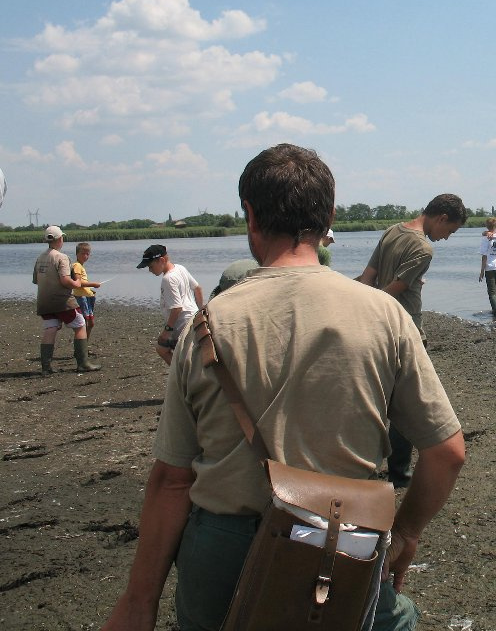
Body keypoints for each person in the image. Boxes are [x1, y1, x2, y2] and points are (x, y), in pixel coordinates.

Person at [102, 144, 465, 631]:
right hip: (344, 538)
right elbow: (447, 454)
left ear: (250, 215)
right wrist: (406, 533)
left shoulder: (207, 325)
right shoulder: (385, 318)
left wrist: (138, 603)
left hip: (224, 544)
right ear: (329, 216)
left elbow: (172, 481)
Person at [356, 193, 468, 487]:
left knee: (377, 400)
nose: (446, 238)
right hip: (405, 329)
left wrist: (350, 304)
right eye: (450, 231)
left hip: (376, 327)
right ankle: (400, 474)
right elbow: (391, 291)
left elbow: (368, 277)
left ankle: (365, 466)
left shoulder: (393, 230)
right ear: (441, 218)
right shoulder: (423, 248)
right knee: (406, 407)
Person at [32, 226, 101, 373]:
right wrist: (76, 283)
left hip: (44, 301)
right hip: (62, 301)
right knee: (81, 324)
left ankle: (46, 367)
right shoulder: (61, 257)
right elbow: (65, 280)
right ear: (59, 239)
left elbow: (36, 280)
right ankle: (83, 363)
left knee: (50, 328)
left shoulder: (40, 258)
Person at [136, 245, 204, 365]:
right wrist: (201, 311)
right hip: (193, 319)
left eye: (151, 266)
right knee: (183, 354)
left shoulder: (168, 279)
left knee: (162, 348)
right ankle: (181, 374)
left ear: (161, 260)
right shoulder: (180, 268)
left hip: (182, 325)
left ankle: (179, 376)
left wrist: (167, 330)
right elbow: (197, 288)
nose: (149, 270)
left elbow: (177, 308)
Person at [71, 242, 102, 338]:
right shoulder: (76, 266)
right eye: (83, 253)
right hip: (81, 297)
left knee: (91, 323)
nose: (85, 256)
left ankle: (85, 344)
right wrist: (93, 284)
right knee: (84, 323)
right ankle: (82, 346)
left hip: (87, 296)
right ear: (77, 254)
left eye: (87, 254)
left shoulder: (81, 266)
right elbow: (78, 283)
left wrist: (90, 290)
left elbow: (83, 283)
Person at [478, 217, 496, 317]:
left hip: (490, 267)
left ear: (486, 226)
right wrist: (485, 232)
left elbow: (484, 257)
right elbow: (484, 232)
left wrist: (481, 272)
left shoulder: (485, 239)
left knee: (491, 292)